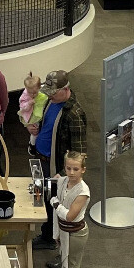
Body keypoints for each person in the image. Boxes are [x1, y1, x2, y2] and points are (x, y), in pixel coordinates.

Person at [32, 70, 87, 249]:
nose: (50, 95)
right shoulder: (51, 101)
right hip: (42, 160)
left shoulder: (74, 114)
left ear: (66, 89)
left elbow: (80, 153)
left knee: (59, 209)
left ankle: (62, 250)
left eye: (54, 92)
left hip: (56, 168)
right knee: (45, 201)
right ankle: (47, 236)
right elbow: (46, 123)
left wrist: (63, 174)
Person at [44, 150, 91, 268]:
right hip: (65, 232)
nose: (71, 172)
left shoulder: (83, 192)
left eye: (75, 169)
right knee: (73, 265)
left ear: (83, 169)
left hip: (75, 234)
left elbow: (70, 216)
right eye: (68, 168)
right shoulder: (64, 181)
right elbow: (55, 182)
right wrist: (57, 234)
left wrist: (55, 203)